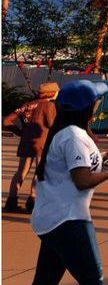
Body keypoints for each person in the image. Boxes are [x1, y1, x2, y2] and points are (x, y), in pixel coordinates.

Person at [15, 81, 108, 285]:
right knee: (93, 282)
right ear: (88, 107)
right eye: (96, 99)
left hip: (54, 220)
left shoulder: (67, 132)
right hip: (69, 221)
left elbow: (77, 167)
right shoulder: (74, 136)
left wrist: (102, 158)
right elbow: (82, 180)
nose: (98, 103)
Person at [3, 82, 58, 213]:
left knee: (21, 172)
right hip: (41, 143)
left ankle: (11, 201)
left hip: (26, 142)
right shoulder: (49, 105)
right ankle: (32, 201)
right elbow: (52, 124)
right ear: (52, 93)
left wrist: (20, 132)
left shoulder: (27, 105)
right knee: (39, 172)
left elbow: (6, 121)